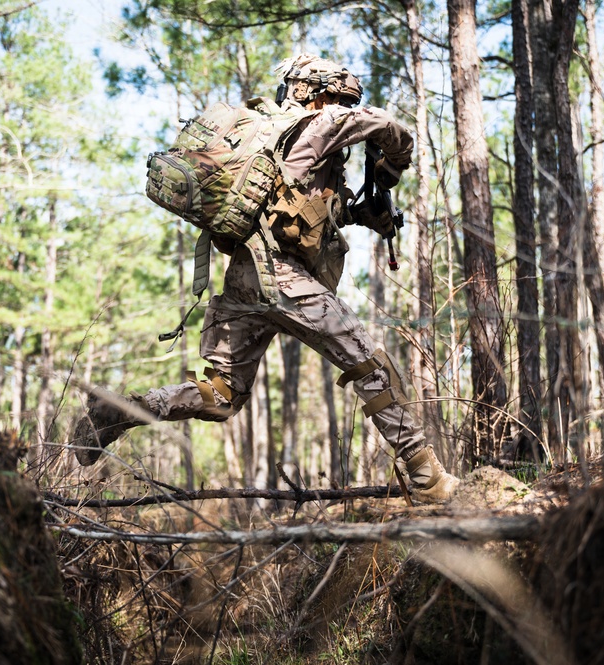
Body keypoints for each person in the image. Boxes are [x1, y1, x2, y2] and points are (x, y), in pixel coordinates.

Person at [71, 54, 459, 503]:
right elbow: (389, 126)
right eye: (336, 97)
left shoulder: (273, 137)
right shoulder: (320, 122)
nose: (340, 105)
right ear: (316, 93)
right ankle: (426, 476)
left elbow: (298, 215)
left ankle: (121, 412)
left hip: (245, 279)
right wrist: (391, 168)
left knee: (221, 394)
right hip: (285, 280)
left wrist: (361, 213)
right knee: (368, 363)